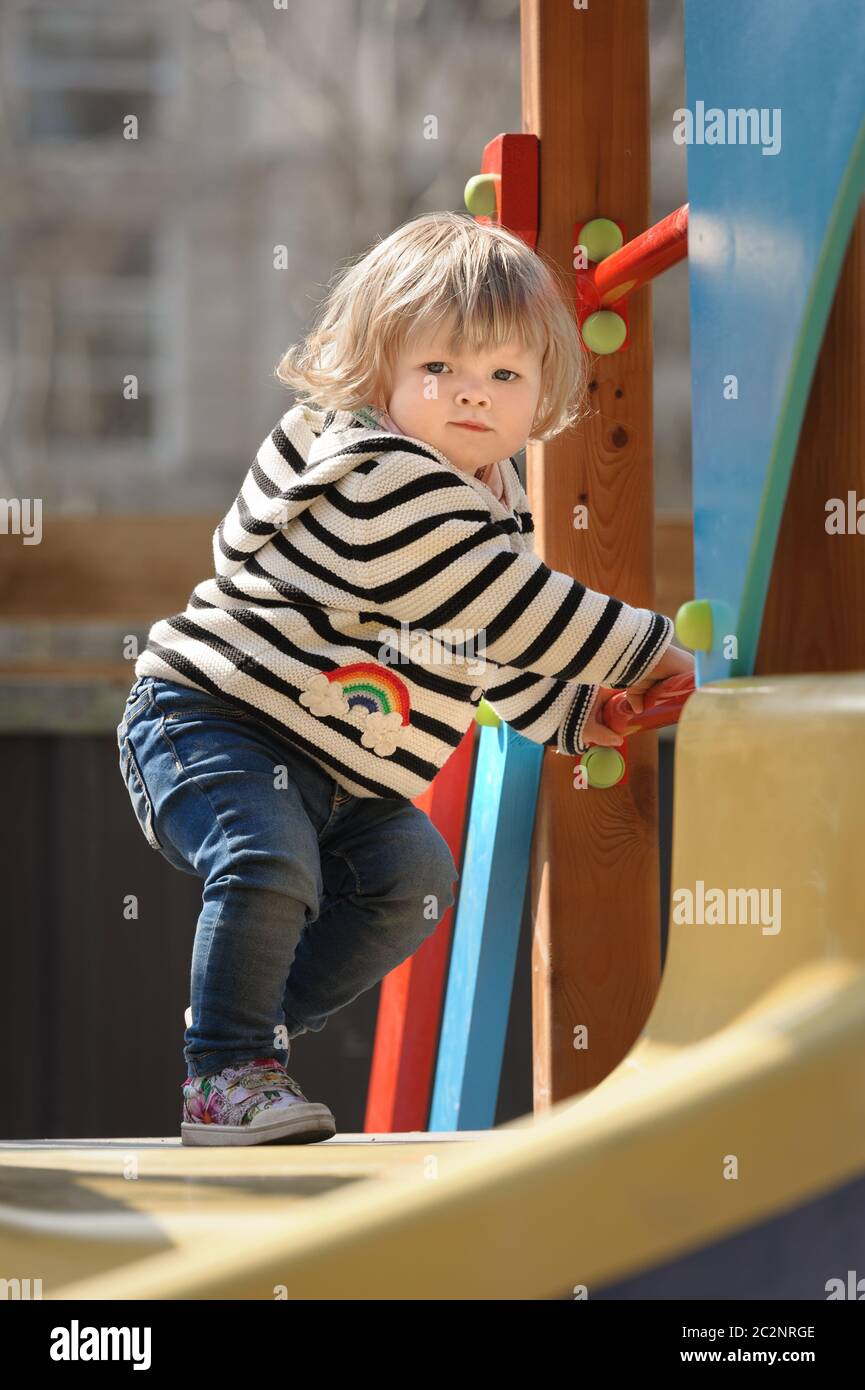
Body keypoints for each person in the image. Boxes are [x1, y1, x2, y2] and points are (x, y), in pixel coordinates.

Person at [116, 211, 694, 1146]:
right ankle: (223, 1070)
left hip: (342, 771)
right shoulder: (378, 475)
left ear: (543, 390)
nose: (474, 397)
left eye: (503, 375)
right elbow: (513, 604)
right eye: (440, 371)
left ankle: (248, 1034)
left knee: (414, 880)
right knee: (269, 860)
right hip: (217, 721)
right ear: (378, 368)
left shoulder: (484, 503)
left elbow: (482, 645)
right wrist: (652, 652)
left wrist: (581, 708)